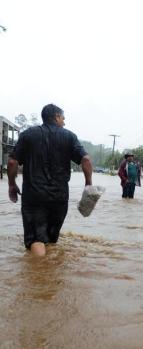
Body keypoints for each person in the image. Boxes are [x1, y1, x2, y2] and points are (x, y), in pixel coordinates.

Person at [7, 104, 93, 257]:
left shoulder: (28, 135)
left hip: (34, 197)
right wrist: (88, 185)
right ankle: (51, 275)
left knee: (37, 239)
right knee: (51, 240)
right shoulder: (69, 137)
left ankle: (39, 277)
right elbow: (86, 160)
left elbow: (12, 162)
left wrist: (11, 184)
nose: (64, 122)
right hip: (60, 198)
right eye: (63, 118)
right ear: (56, 117)